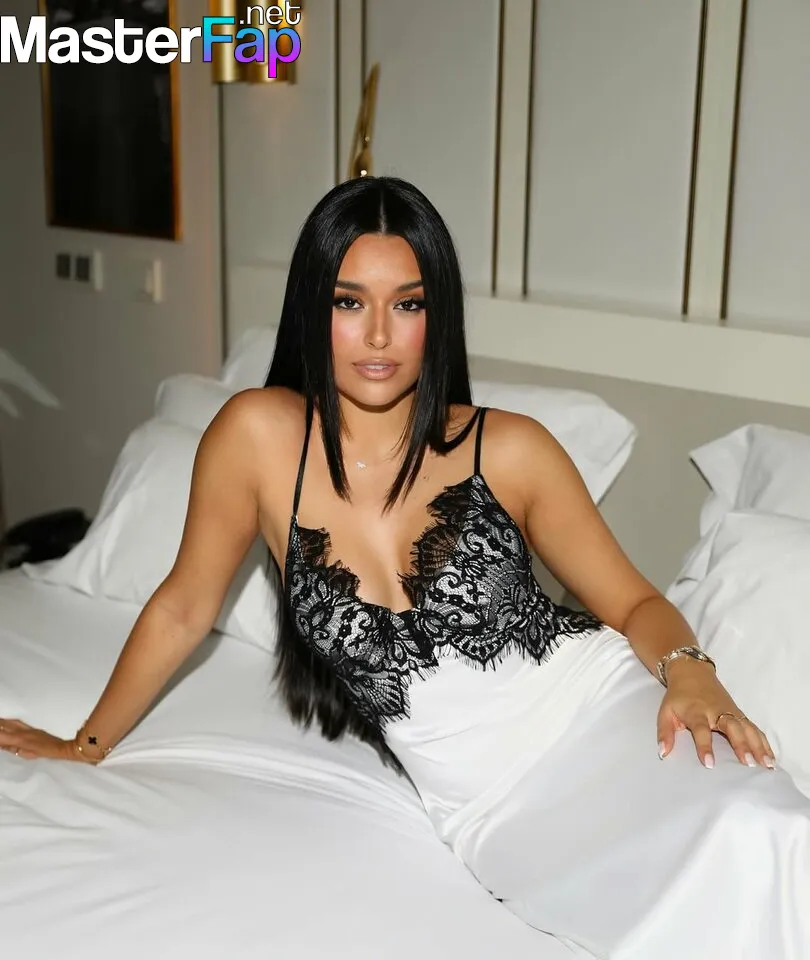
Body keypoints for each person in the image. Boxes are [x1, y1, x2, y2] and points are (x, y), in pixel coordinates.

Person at [1, 176, 808, 958]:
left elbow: (633, 603)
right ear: (312, 309)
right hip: (488, 807)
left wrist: (691, 672)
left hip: (602, 712)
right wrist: (86, 744)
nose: (380, 335)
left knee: (760, 834)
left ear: (437, 316)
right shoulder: (254, 437)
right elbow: (183, 608)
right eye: (350, 302)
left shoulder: (512, 448)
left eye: (409, 304)